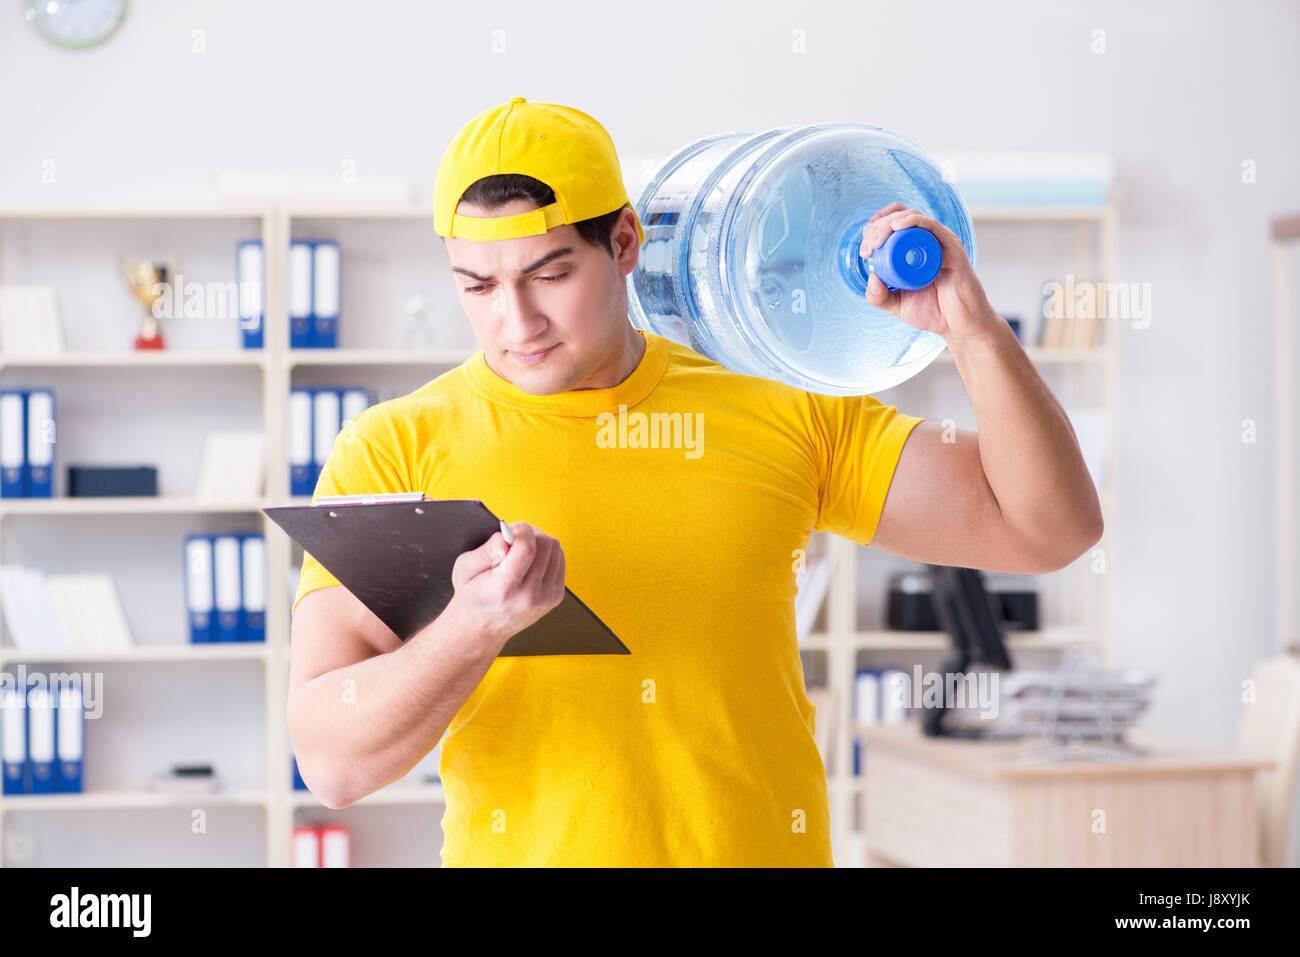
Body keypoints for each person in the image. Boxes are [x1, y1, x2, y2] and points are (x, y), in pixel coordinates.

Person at [286, 96, 1104, 867]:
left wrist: (973, 328)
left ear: (626, 243)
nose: (517, 321)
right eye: (479, 286)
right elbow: (332, 762)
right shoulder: (393, 450)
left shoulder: (778, 396)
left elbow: (1048, 528)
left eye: (549, 274)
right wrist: (472, 625)